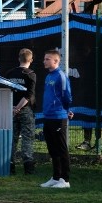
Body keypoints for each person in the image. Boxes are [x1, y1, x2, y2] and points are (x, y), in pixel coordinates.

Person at [40, 49, 73, 189]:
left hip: (58, 117)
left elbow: (67, 96)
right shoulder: (48, 77)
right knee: (52, 148)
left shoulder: (61, 76)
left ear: (56, 61)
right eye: (44, 58)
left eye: (47, 59)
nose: (44, 61)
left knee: (61, 148)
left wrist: (66, 111)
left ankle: (65, 180)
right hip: (48, 117)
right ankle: (56, 177)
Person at [6, 48, 37, 175]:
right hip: (25, 109)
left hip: (11, 109)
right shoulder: (31, 74)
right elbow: (29, 94)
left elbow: (6, 91)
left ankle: (10, 165)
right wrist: (19, 107)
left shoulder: (9, 73)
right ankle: (28, 167)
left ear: (19, 58)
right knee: (27, 138)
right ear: (31, 60)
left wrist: (13, 107)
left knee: (12, 139)